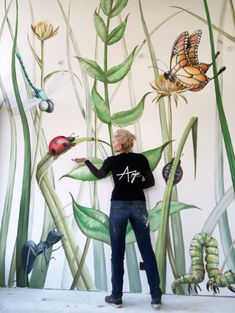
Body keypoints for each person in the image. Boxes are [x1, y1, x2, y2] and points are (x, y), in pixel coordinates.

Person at [72, 129, 162, 309]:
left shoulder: (112, 161)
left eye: (114, 142)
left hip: (119, 206)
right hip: (139, 206)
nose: (113, 144)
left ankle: (116, 297)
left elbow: (99, 175)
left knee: (117, 252)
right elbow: (150, 182)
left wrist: (87, 161)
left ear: (120, 145)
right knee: (147, 250)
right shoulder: (141, 159)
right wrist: (135, 186)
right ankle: (156, 298)